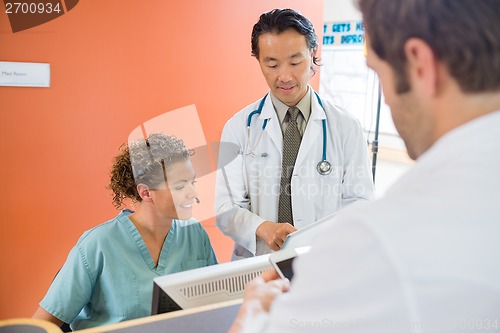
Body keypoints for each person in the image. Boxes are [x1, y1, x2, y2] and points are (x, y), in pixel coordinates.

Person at [229, 0, 500, 331]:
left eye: (377, 70)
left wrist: (253, 315)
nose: (385, 97)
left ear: (419, 64)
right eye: (271, 63)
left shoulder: (385, 240)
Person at [215, 8, 374, 260]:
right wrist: (263, 228)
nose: (285, 76)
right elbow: (225, 209)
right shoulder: (238, 127)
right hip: (257, 264)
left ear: (312, 55)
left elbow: (359, 202)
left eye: (295, 61)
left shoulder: (346, 127)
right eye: (272, 64)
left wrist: (324, 239)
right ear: (258, 61)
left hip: (323, 261)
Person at [33, 133, 218, 330]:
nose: (193, 193)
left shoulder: (195, 234)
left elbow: (218, 304)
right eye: (180, 186)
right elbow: (40, 325)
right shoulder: (98, 245)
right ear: (146, 192)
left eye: (193, 182)